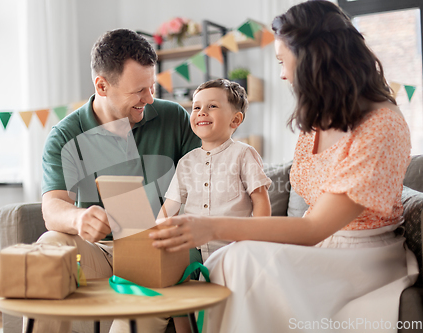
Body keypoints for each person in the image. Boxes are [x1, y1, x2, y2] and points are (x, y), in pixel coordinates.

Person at [149, 1, 419, 332]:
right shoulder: (319, 122)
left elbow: (314, 228)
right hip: (320, 248)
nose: (281, 74)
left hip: (362, 257)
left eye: (283, 61)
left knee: (241, 259)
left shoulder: (383, 125)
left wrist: (210, 227)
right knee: (227, 260)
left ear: (315, 59)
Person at [36, 28, 201, 333]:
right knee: (48, 248)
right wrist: (78, 218)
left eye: (151, 87)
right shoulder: (65, 135)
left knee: (143, 303)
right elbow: (52, 207)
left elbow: (207, 181)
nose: (149, 98)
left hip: (161, 251)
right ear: (102, 85)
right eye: (139, 91)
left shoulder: (173, 118)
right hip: (101, 251)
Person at [158, 78, 272, 333]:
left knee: (228, 307)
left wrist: (257, 240)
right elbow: (171, 205)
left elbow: (260, 200)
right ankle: (184, 329)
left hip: (232, 245)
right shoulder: (186, 162)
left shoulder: (244, 154)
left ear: (235, 120)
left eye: (211, 106)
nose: (201, 112)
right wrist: (153, 234)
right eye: (196, 107)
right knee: (172, 269)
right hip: (193, 246)